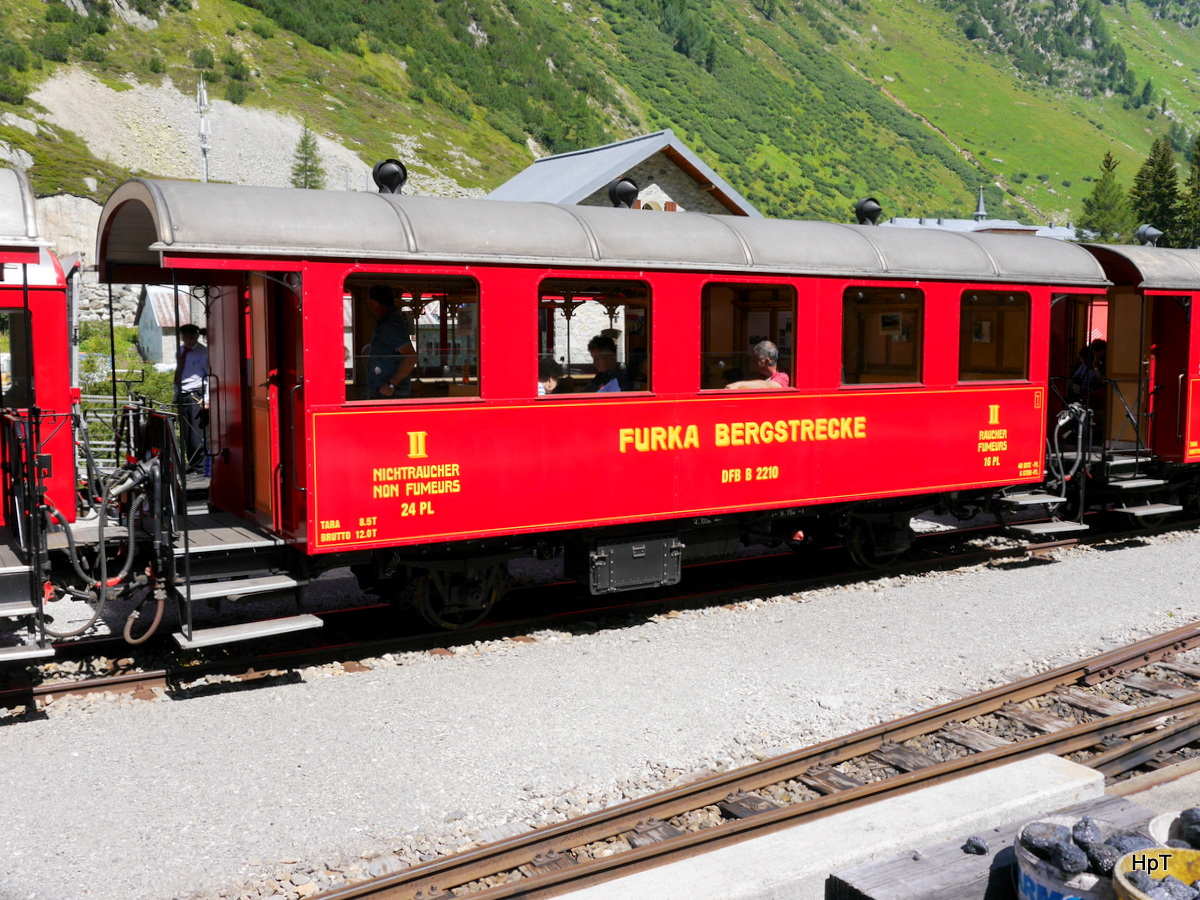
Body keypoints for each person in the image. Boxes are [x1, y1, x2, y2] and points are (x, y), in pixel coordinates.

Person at [366, 284, 417, 399]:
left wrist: (390, 384)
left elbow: (411, 357)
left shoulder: (390, 326)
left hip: (390, 394)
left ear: (373, 303)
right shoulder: (388, 323)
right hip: (385, 391)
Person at [174, 323, 209, 475]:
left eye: (192, 337)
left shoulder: (204, 353)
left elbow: (209, 376)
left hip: (196, 395)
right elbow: (179, 372)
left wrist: (207, 399)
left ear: (197, 336)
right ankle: (192, 463)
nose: (189, 341)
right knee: (186, 433)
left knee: (197, 434)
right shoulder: (181, 351)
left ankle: (200, 466)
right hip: (183, 395)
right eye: (185, 337)